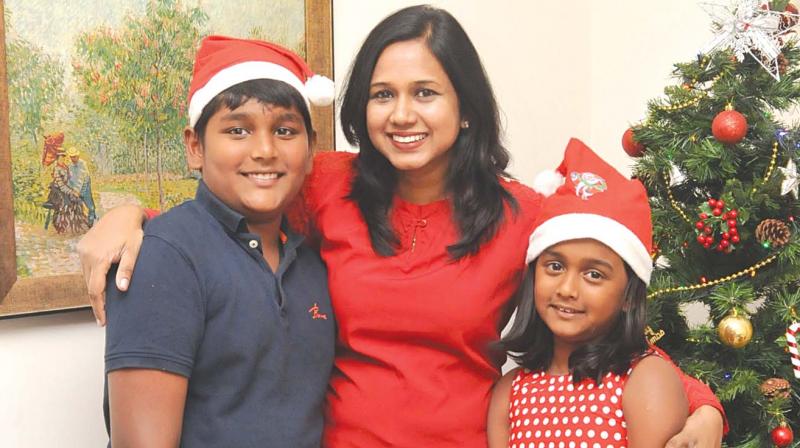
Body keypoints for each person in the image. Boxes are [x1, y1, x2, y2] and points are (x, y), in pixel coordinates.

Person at [78, 6, 725, 447]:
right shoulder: (324, 186)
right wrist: (127, 215)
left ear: (465, 108)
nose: (401, 114)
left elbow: (604, 313)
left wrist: (704, 404)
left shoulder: (523, 214)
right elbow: (225, 216)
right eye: (383, 93)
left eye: (426, 92)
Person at [102, 36, 335, 447]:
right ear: (195, 147)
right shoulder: (164, 257)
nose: (264, 150)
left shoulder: (312, 261)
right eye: (238, 130)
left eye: (284, 130)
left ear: (311, 148)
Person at [487, 138, 689, 447]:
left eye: (594, 274)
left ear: (629, 297)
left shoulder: (645, 379)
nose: (567, 289)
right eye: (554, 266)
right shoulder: (510, 391)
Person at [65, 147, 97, 226]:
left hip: (84, 189)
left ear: (78, 156)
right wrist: (73, 191)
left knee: (91, 208)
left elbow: (84, 179)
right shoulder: (69, 166)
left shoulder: (83, 164)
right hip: (74, 191)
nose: (73, 158)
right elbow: (69, 180)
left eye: (74, 156)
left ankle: (91, 225)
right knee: (75, 209)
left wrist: (80, 192)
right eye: (71, 157)